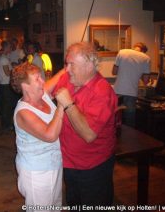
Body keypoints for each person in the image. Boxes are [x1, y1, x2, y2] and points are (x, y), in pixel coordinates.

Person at [46, 42, 118, 207]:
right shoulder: (68, 77)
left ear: (90, 65)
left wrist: (69, 105)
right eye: (66, 63)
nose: (67, 69)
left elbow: (88, 134)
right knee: (74, 203)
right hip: (69, 162)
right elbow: (42, 91)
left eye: (72, 64)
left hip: (92, 167)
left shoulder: (103, 92)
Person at [11, 62, 64, 211]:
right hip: (36, 172)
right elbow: (50, 135)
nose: (42, 81)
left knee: (55, 207)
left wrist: (69, 67)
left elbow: (59, 76)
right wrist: (61, 105)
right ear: (25, 86)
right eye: (37, 79)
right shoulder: (23, 112)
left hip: (54, 164)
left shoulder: (43, 96)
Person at [112, 42, 151, 127]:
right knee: (129, 121)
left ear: (134, 47)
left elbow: (114, 72)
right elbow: (145, 80)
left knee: (115, 117)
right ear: (143, 51)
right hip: (131, 92)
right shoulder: (146, 58)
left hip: (117, 91)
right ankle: (128, 138)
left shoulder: (122, 52)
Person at [0, 41, 15, 131]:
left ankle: (6, 124)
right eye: (10, 47)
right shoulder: (3, 59)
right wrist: (15, 71)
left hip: (4, 84)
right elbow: (7, 73)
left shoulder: (4, 58)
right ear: (6, 47)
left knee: (7, 105)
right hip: (5, 84)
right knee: (7, 106)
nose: (11, 49)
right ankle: (6, 125)